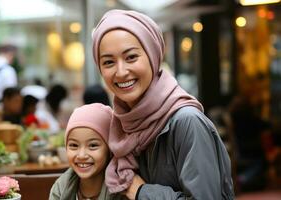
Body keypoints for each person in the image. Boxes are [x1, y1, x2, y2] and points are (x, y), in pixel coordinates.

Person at [92, 9, 234, 199]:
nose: (121, 71)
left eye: (131, 57)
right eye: (108, 62)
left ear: (153, 56)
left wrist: (142, 192)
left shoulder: (187, 122)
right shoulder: (121, 126)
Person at [49, 103, 123, 200]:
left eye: (93, 145)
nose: (82, 155)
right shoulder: (60, 188)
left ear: (110, 148)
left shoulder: (122, 190)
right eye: (74, 145)